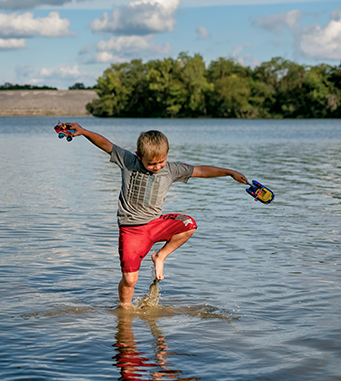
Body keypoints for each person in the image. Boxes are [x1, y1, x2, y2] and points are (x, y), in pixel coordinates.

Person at [64, 123, 247, 309]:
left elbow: (200, 170)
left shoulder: (172, 169)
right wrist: (84, 131)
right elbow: (106, 144)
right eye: (151, 163)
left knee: (189, 224)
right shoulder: (129, 161)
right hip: (132, 231)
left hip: (155, 224)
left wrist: (229, 172)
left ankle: (160, 256)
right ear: (139, 155)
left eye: (161, 161)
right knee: (129, 279)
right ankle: (124, 310)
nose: (157, 167)